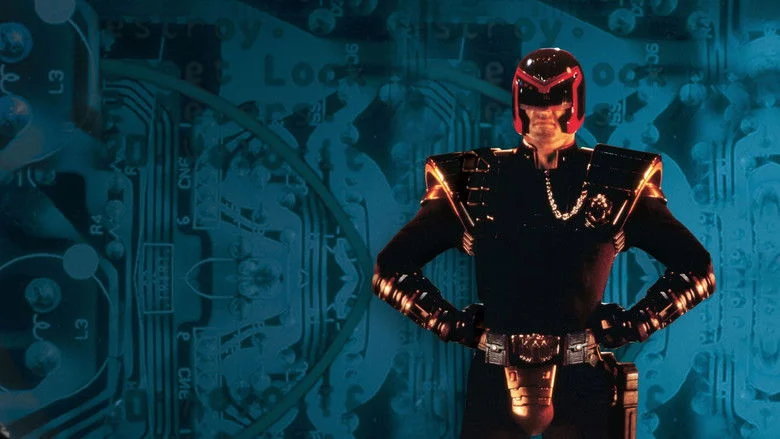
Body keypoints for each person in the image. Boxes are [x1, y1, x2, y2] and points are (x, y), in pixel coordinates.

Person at [371, 48, 716, 439]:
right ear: (520, 106)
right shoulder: (475, 178)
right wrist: (454, 325)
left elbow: (697, 270)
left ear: (574, 105)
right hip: (495, 373)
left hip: (581, 375)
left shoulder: (617, 180)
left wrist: (629, 326)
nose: (544, 116)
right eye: (534, 106)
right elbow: (390, 270)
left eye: (555, 105)